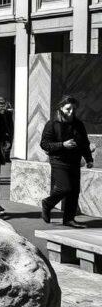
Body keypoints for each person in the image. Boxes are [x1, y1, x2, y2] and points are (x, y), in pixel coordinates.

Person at [40, 95, 93, 227]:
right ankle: (47, 203)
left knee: (74, 191)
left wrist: (89, 159)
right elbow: (44, 144)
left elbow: (84, 143)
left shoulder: (78, 124)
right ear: (61, 108)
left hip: (74, 161)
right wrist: (62, 145)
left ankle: (69, 219)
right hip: (58, 160)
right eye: (68, 108)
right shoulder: (52, 123)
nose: (71, 112)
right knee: (64, 188)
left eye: (74, 109)